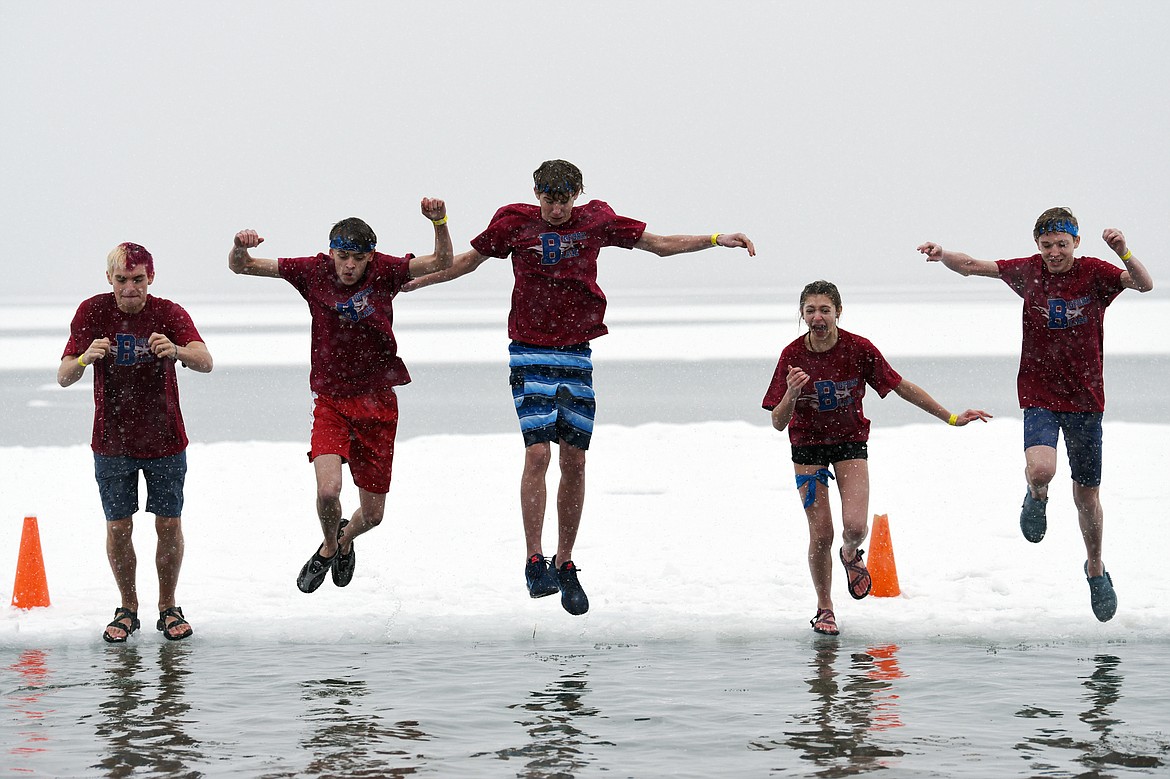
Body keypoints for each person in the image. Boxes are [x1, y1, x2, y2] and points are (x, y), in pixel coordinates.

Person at [404, 159, 756, 616]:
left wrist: (714, 239)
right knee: (537, 453)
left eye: (564, 200)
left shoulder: (596, 219)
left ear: (577, 194)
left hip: (576, 353)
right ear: (537, 194)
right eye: (548, 199)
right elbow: (466, 264)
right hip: (529, 350)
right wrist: (413, 279)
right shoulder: (513, 222)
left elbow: (657, 245)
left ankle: (565, 561)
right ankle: (534, 560)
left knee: (574, 458)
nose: (555, 209)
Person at [917, 208, 1154, 622]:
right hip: (1039, 395)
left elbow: (1144, 284)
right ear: (1037, 246)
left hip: (1085, 401)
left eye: (1062, 244)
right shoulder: (1029, 272)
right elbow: (974, 266)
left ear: (1076, 243)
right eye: (1047, 246)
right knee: (1042, 469)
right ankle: (1037, 494)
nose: (1055, 253)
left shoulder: (1095, 274)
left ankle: (1095, 567)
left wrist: (1123, 251)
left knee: (1086, 497)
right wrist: (943, 254)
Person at [228, 198, 452, 594]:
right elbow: (241, 266)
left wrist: (439, 222)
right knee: (329, 490)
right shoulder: (312, 271)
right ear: (331, 252)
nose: (349, 266)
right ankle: (330, 547)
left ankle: (345, 539)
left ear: (370, 258)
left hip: (378, 401)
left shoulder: (385, 271)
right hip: (331, 401)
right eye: (343, 256)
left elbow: (440, 262)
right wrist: (241, 247)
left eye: (358, 258)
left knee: (374, 515)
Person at [763, 280, 990, 636]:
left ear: (838, 311)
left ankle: (851, 554)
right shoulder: (792, 355)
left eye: (825, 309)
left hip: (850, 441)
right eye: (810, 310)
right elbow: (778, 422)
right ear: (802, 314)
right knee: (821, 533)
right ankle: (825, 609)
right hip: (807, 447)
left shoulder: (858, 348)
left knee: (855, 528)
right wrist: (791, 392)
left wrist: (950, 417)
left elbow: (900, 386)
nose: (818, 317)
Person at [58, 242, 214, 643]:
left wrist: (176, 349)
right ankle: (128, 608)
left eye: (138, 279)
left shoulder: (168, 312)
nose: (131, 288)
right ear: (109, 279)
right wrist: (83, 358)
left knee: (168, 523)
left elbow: (205, 360)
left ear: (151, 278)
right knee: (119, 527)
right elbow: (63, 375)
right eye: (123, 280)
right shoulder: (92, 312)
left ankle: (168, 606)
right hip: (112, 442)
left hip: (165, 438)